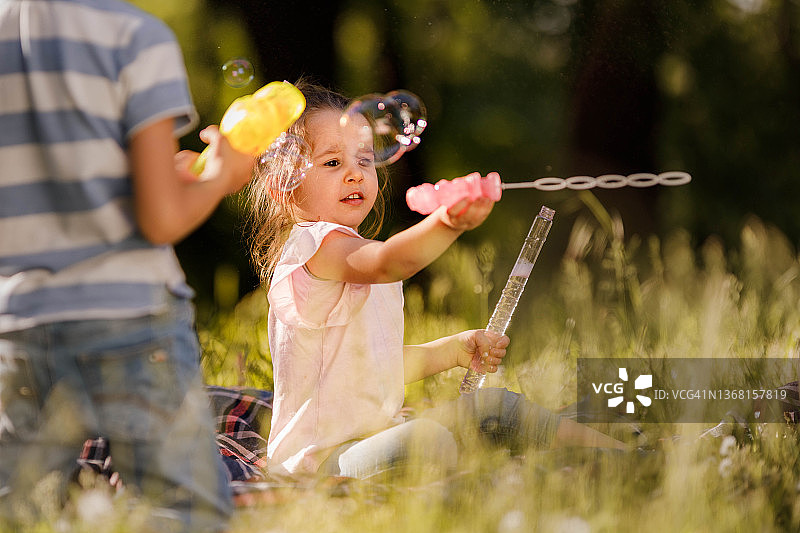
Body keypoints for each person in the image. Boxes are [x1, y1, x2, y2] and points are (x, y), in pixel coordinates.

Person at [247, 80, 628, 481]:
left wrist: (451, 350)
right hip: (319, 465)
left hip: (375, 441)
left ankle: (635, 457)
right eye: (332, 163)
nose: (354, 175)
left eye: (363, 160)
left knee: (495, 406)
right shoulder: (316, 247)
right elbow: (390, 262)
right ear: (281, 187)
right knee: (432, 439)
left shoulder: (355, 253)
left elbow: (372, 367)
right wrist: (447, 222)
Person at [0, 1, 254, 530]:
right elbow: (161, 221)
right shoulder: (134, 36)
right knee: (184, 507)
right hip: (132, 320)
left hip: (19, 324)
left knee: (19, 507)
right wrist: (220, 177)